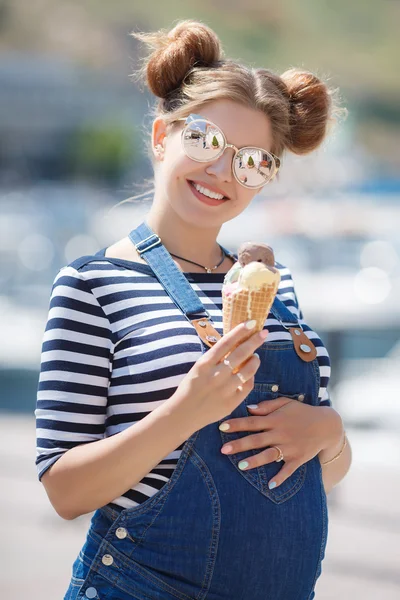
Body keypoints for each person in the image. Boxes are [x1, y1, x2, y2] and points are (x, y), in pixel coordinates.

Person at [35, 20, 352, 600]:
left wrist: (330, 435)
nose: (222, 171)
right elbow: (64, 491)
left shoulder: (274, 288)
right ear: (162, 137)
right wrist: (186, 411)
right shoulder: (93, 285)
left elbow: (300, 477)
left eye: (253, 161)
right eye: (205, 140)